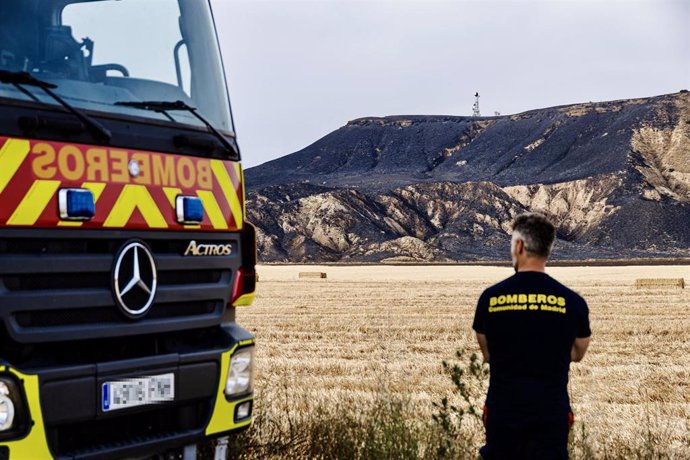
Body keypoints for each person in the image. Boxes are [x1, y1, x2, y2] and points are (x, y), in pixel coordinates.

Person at [472, 213, 591, 460]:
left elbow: (488, 353)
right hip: (551, 411)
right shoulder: (573, 302)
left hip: (503, 410)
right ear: (548, 248)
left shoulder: (490, 298)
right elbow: (577, 354)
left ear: (519, 246)